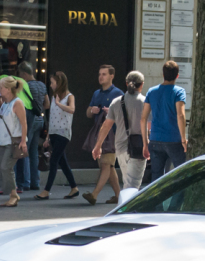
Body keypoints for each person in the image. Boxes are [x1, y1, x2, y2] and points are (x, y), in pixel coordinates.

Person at [92, 71, 147, 194]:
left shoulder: (117, 102)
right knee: (133, 185)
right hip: (139, 147)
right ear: (141, 85)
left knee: (128, 182)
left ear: (127, 83)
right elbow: (149, 126)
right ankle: (126, 209)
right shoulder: (145, 102)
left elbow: (106, 125)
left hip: (121, 147)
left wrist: (97, 146)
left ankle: (124, 207)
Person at [141, 60, 189, 183]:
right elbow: (180, 115)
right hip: (174, 139)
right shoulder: (179, 92)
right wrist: (183, 139)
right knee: (181, 175)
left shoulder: (151, 91)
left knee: (156, 177)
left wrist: (145, 143)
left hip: (155, 138)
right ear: (177, 75)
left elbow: (143, 118)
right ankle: (176, 202)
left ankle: (156, 202)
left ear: (163, 74)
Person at [83, 65, 123, 205]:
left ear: (112, 76)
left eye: (104, 74)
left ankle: (94, 195)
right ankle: (119, 196)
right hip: (99, 134)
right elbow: (87, 113)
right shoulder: (96, 93)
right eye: (100, 74)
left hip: (112, 134)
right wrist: (92, 110)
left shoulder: (118, 93)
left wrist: (111, 112)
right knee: (109, 167)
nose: (101, 77)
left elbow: (124, 116)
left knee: (106, 164)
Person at [38, 71, 79, 200]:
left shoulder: (69, 96)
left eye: (52, 83)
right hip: (54, 132)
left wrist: (59, 104)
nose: (51, 85)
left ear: (59, 83)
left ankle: (46, 190)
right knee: (62, 161)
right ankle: (74, 188)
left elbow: (72, 109)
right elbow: (52, 118)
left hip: (63, 132)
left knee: (54, 160)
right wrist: (47, 137)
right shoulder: (54, 96)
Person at [0, 78, 28, 207]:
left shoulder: (17, 103)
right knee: (5, 169)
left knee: (6, 167)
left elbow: (24, 123)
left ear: (8, 89)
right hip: (1, 141)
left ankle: (13, 195)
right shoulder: (4, 103)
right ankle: (12, 195)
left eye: (1, 87)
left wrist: (23, 141)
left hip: (13, 141)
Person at [15, 62, 47, 191]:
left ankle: (26, 182)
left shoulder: (25, 86)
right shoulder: (42, 85)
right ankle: (36, 181)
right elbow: (47, 104)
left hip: (29, 120)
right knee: (34, 152)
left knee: (24, 151)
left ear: (23, 74)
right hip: (40, 120)